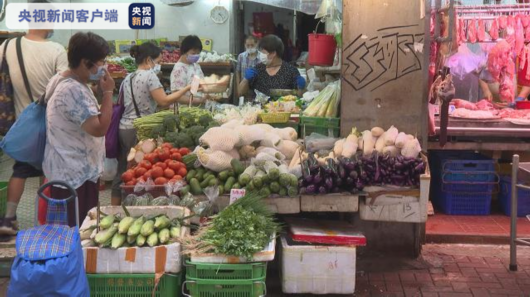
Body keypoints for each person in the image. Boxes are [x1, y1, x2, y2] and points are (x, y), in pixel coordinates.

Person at [0, 27, 67, 235]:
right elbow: (65, 84)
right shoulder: (56, 50)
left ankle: (8, 219)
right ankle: (50, 220)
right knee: (53, 171)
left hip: (23, 123)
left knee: (20, 169)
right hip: (53, 122)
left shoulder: (7, 46)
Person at [43, 32, 114, 227]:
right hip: (74, 178)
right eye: (101, 61)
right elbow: (99, 128)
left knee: (77, 228)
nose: (104, 66)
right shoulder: (72, 90)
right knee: (77, 232)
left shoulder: (67, 80)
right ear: (85, 62)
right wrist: (108, 92)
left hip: (73, 173)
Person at [110, 42, 193, 205]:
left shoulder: (129, 77)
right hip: (140, 130)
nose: (159, 65)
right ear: (149, 60)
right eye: (158, 61)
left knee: (123, 170)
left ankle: (115, 208)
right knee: (139, 174)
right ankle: (136, 207)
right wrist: (186, 89)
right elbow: (163, 100)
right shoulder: (150, 76)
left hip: (124, 128)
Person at [238, 34, 306, 98]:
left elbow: (300, 96)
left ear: (273, 53)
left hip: (283, 109)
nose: (261, 55)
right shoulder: (257, 69)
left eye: (263, 52)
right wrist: (245, 79)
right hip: (259, 109)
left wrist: (301, 88)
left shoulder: (290, 71)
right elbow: (240, 92)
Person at [170, 35, 208, 104]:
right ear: (184, 51)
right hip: (186, 110)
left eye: (198, 53)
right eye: (193, 53)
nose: (196, 56)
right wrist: (198, 101)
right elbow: (176, 96)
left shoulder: (196, 65)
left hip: (200, 106)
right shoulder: (179, 69)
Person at [236, 35, 260, 100]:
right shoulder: (241, 56)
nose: (250, 47)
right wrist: (238, 88)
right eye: (248, 45)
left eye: (252, 45)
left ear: (256, 44)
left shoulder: (262, 58)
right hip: (244, 90)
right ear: (244, 45)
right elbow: (238, 72)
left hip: (258, 92)